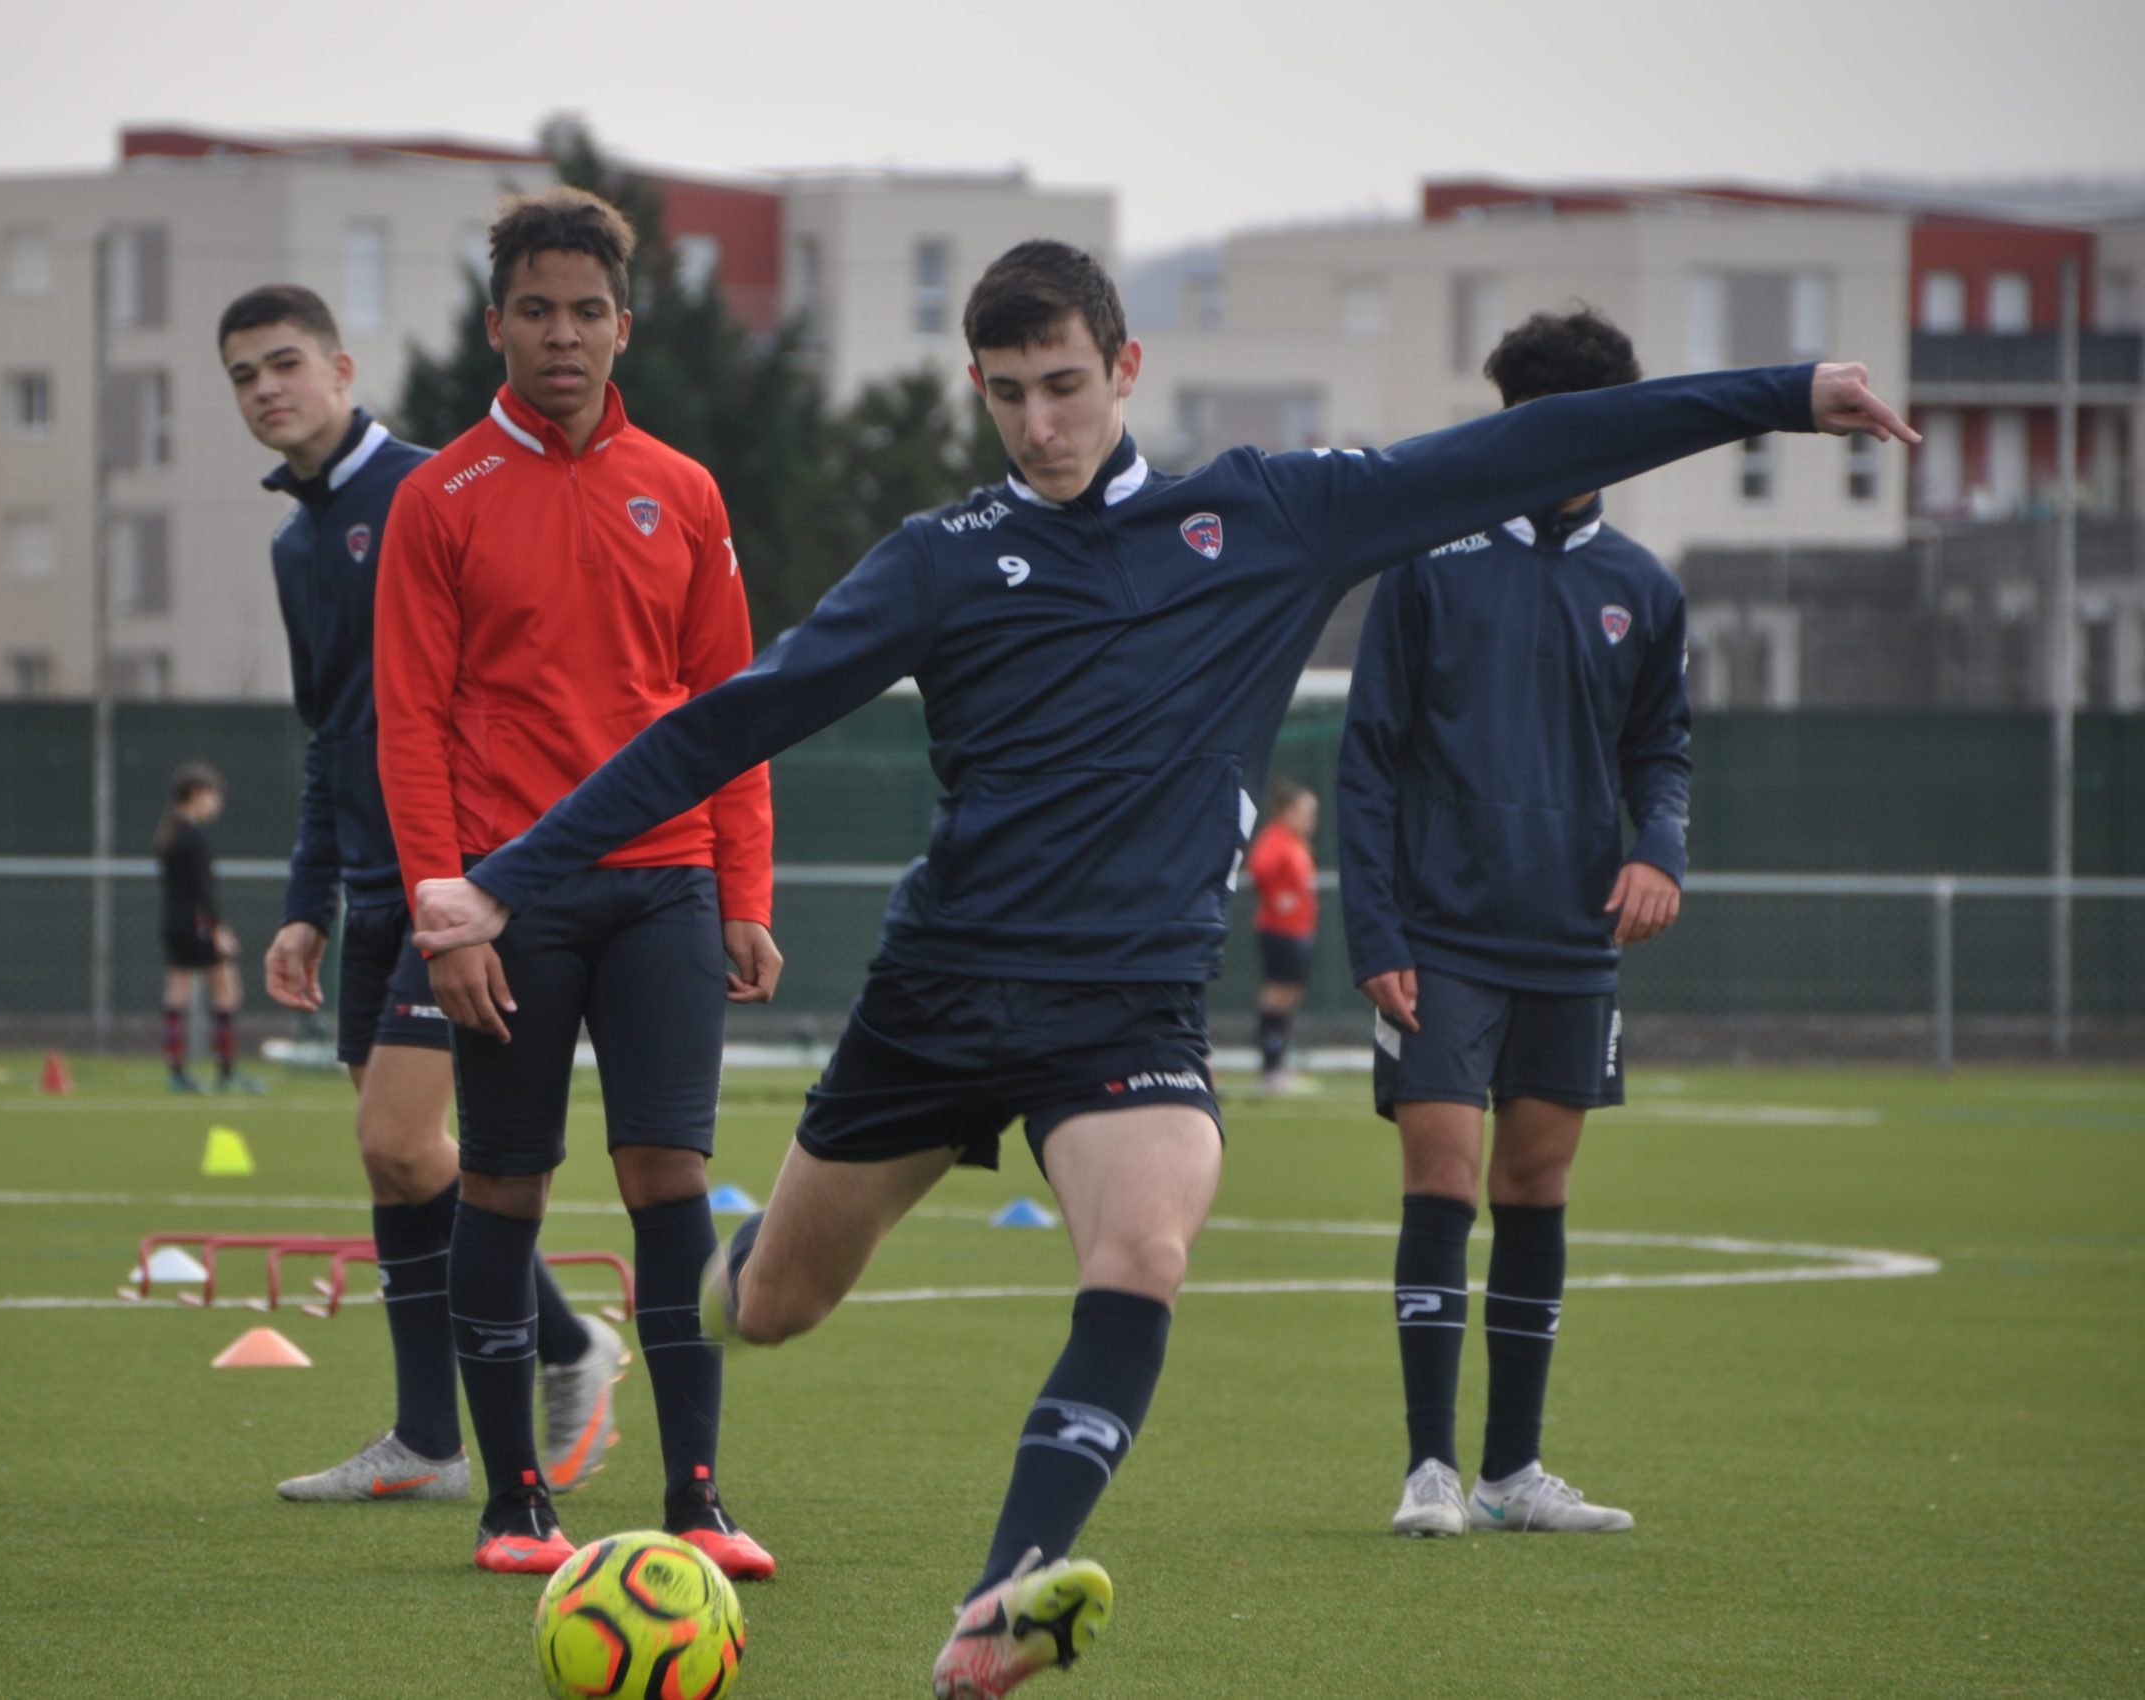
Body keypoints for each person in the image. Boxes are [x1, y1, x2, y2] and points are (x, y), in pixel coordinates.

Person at [406, 240, 1910, 1696]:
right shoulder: (941, 559)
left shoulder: (1266, 516)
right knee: (776, 1304)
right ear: (978, 389)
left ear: (1126, 365)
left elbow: (1527, 446)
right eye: (1007, 394)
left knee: (1145, 1251)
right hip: (939, 996)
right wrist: (502, 880)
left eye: (1064, 384)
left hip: (1127, 1007)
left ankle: (999, 1602)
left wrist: (1785, 394)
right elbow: (720, 723)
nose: (1039, 424)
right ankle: (714, 1286)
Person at [374, 187, 782, 1581]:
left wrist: (745, 889)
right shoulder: (437, 499)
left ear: (625, 326)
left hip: (667, 888)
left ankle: (699, 1500)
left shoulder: (686, 491)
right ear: (496, 324)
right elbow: (410, 724)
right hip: (510, 901)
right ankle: (514, 1507)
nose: (564, 334)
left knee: (673, 1175)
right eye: (537, 311)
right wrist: (446, 916)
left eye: (588, 311)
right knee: (504, 1183)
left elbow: (730, 707)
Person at [219, 282, 624, 1507]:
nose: (265, 389)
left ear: (343, 369)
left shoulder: (429, 490)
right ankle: (427, 1439)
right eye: (242, 375)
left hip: (454, 875)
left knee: (400, 1138)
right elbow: (333, 734)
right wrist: (308, 900)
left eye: (284, 363)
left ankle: (568, 1342)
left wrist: (485, 874)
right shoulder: (297, 545)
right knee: (396, 1164)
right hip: (370, 885)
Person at [1339, 307, 1690, 1541]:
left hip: (1569, 938)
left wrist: (1659, 847)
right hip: (1438, 932)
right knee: (1440, 1174)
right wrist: (1374, 931)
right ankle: (1430, 1470)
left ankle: (1510, 1472)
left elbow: (1662, 751)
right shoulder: (1427, 562)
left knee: (1535, 1182)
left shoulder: (1643, 587)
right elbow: (1366, 758)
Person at [154, 763, 261, 1095]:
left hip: (173, 922)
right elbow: (203, 891)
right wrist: (218, 930)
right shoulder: (194, 837)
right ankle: (226, 1073)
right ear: (198, 794)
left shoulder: (169, 835)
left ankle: (177, 1073)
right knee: (227, 992)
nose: (216, 804)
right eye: (213, 797)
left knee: (176, 993)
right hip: (198, 925)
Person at [1245, 780, 1321, 1095]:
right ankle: (1271, 1067)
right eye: (1304, 812)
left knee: (1289, 997)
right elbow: (1259, 868)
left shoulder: (1295, 842)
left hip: (1298, 930)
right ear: (1285, 811)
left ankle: (1278, 1063)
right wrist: (1279, 898)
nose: (1310, 820)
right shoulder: (1276, 838)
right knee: (1278, 995)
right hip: (1281, 930)